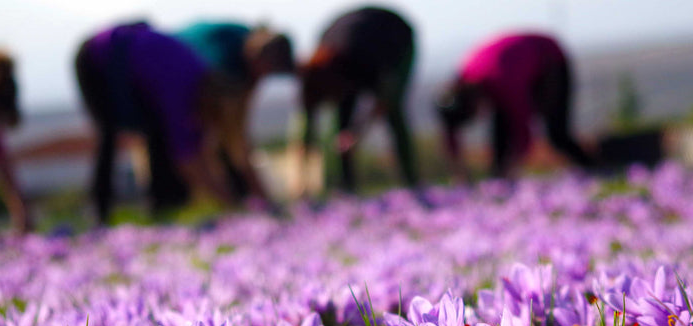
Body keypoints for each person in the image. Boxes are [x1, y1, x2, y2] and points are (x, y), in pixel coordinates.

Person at [75, 22, 246, 223]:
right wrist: (229, 201)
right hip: (96, 56)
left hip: (129, 58)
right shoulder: (182, 92)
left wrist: (226, 197)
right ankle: (101, 212)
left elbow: (197, 148)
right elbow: (187, 161)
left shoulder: (201, 82)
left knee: (157, 134)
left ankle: (162, 207)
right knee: (110, 133)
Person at [437, 34, 593, 184]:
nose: (478, 118)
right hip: (513, 60)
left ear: (474, 102)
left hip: (549, 57)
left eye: (473, 115)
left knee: (557, 134)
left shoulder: (504, 83)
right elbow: (451, 129)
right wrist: (460, 173)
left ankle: (593, 168)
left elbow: (522, 128)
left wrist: (514, 166)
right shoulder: (460, 85)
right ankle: (499, 179)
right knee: (501, 135)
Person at [300, 6, 419, 193]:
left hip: (397, 38)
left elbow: (384, 101)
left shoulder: (365, 62)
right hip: (349, 35)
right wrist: (303, 157)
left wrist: (357, 132)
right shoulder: (317, 72)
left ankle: (411, 180)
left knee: (394, 112)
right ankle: (347, 185)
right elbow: (308, 116)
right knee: (341, 122)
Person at [173, 22, 294, 199]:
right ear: (258, 59)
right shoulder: (225, 61)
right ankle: (224, 194)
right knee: (205, 142)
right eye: (265, 70)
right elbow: (233, 131)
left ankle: (237, 193)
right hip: (184, 82)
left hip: (199, 76)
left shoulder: (248, 43)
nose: (263, 78)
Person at [0, 51, 31, 232]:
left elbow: (12, 118)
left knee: (10, 181)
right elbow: (13, 119)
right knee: (10, 182)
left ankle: (23, 224)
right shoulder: (9, 84)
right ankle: (23, 224)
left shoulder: (7, 85)